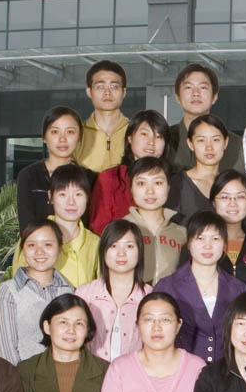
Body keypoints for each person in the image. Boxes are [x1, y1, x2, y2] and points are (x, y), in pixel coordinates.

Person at [154, 212, 246, 365]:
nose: (208, 246)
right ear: (189, 243)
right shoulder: (167, 286)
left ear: (224, 244)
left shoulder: (237, 288)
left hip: (224, 372)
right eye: (200, 238)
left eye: (215, 239)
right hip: (180, 370)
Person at [0, 219, 73, 365]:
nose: (39, 251)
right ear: (22, 250)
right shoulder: (9, 292)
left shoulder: (70, 292)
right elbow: (6, 353)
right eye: (31, 245)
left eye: (48, 244)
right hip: (22, 378)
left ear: (60, 249)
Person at [12, 164, 99, 288]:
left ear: (87, 197)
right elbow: (19, 288)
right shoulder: (32, 238)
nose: (71, 202)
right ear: (50, 197)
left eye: (78, 194)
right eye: (63, 194)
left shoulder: (96, 244)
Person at [88, 109, 171, 236]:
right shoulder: (110, 178)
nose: (151, 142)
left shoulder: (174, 179)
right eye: (144, 134)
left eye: (159, 136)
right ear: (130, 138)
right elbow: (98, 228)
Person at [75, 220, 149, 362]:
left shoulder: (149, 297)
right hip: (92, 373)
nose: (121, 253)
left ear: (140, 251)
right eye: (113, 246)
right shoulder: (85, 294)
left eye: (129, 246)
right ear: (103, 251)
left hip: (134, 373)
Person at [121, 157, 186, 285]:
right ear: (131, 188)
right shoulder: (119, 230)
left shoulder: (182, 234)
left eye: (158, 183)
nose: (150, 191)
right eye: (141, 183)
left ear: (168, 187)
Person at [17, 106, 85, 228]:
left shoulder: (90, 178)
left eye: (70, 132)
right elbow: (26, 227)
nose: (62, 139)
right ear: (44, 137)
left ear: (79, 137)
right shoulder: (29, 176)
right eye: (55, 132)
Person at [168, 63, 244, 173]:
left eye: (203, 87)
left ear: (214, 97)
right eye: (188, 87)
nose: (196, 93)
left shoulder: (236, 144)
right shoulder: (164, 139)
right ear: (177, 97)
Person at [207, 170, 246, 289]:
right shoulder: (200, 241)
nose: (232, 203)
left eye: (240, 197)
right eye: (224, 197)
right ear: (213, 202)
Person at [168, 114, 230, 218]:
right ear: (190, 144)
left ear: (225, 142)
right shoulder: (176, 184)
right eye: (201, 140)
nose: (209, 147)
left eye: (215, 140)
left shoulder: (231, 185)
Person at [76, 60, 130, 173]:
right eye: (100, 86)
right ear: (89, 91)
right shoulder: (77, 136)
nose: (107, 92)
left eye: (114, 86)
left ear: (124, 92)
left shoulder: (135, 133)